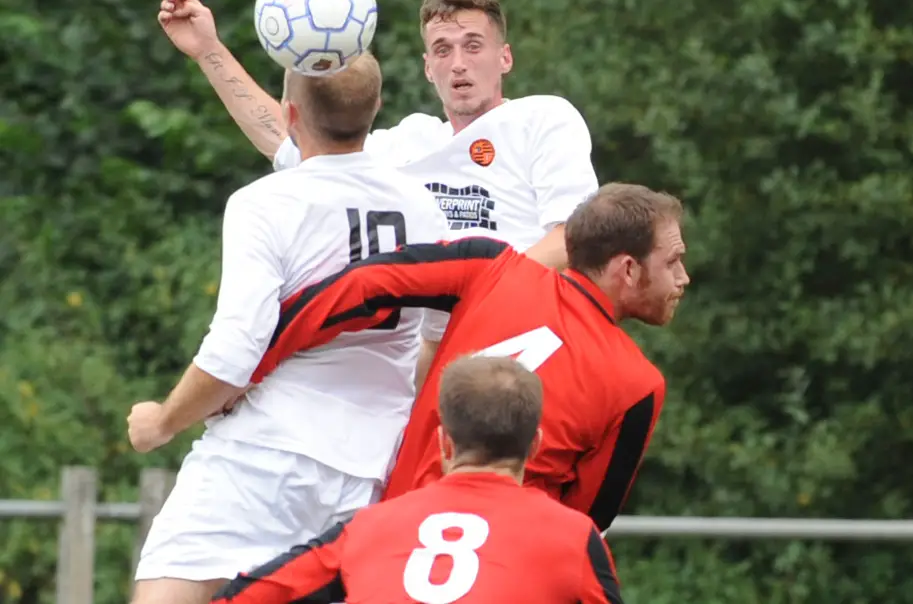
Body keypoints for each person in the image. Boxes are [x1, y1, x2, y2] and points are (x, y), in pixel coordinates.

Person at [156, 0, 600, 381]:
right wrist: (208, 50)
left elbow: (573, 237)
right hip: (436, 370)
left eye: (474, 45)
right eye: (444, 50)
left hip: (526, 352)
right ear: (428, 68)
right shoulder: (409, 143)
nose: (459, 63)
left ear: (505, 58)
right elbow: (290, 141)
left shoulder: (543, 118)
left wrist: (476, 293)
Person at [125, 54, 448, 604]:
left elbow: (235, 350)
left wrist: (163, 421)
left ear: (290, 114)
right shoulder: (423, 208)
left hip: (265, 457)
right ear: (376, 109)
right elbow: (440, 340)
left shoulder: (265, 203)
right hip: (371, 472)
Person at [249, 182, 686, 533]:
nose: (683, 278)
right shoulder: (638, 386)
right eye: (673, 262)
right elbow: (584, 523)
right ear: (627, 269)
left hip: (388, 556)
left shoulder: (490, 266)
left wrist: (252, 364)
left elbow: (364, 284)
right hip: (504, 578)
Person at [211, 355, 626, 604]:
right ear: (535, 446)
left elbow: (244, 597)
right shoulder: (574, 537)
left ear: (443, 444)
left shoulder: (367, 528)